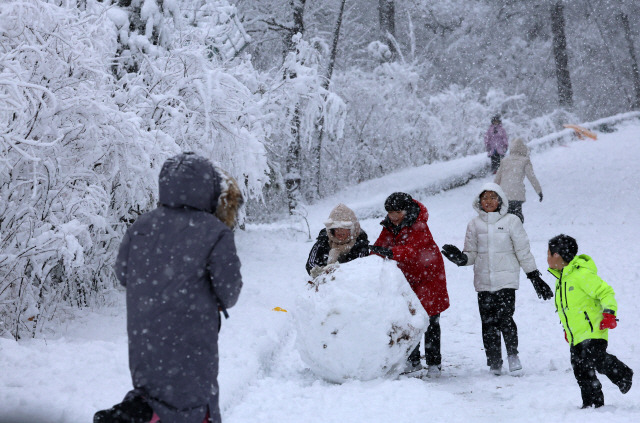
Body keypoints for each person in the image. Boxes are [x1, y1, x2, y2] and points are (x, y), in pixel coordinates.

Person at [94, 153, 244, 423]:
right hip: (192, 340)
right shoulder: (215, 231)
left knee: (153, 395)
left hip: (146, 338)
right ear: (208, 189)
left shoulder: (140, 227)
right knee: (192, 406)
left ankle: (144, 415)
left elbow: (124, 274)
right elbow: (229, 293)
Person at [441, 182, 552, 376]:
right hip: (483, 282)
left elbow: (522, 251)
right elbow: (471, 253)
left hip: (506, 280)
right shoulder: (474, 224)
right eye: (485, 198)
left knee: (505, 318)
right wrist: (461, 259)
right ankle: (494, 360)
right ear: (479, 201)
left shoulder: (512, 222)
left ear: (500, 200)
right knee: (488, 322)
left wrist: (534, 276)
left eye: (493, 197)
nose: (489, 201)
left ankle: (512, 355)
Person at [547, 234, 633, 408]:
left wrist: (609, 313)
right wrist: (567, 329)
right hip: (576, 335)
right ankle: (592, 402)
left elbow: (606, 292)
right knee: (581, 370)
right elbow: (567, 310)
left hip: (593, 329)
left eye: (548, 253)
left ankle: (623, 374)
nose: (547, 257)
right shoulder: (562, 280)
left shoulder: (581, 274)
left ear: (557, 255)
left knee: (594, 358)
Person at [370, 192, 449, 378]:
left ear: (406, 210)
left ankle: (434, 363)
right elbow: (380, 245)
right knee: (408, 321)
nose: (393, 216)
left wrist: (388, 252)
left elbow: (412, 251)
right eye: (390, 212)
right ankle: (412, 360)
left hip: (428, 278)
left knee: (431, 321)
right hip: (407, 280)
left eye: (397, 212)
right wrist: (373, 253)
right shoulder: (389, 226)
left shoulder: (419, 226)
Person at [306, 203, 370, 278]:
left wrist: (337, 271)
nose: (340, 232)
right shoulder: (323, 241)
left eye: (343, 228)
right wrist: (318, 271)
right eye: (336, 228)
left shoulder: (360, 243)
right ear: (331, 230)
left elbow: (360, 266)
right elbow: (311, 263)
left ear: (351, 229)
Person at [494, 137, 542, 223]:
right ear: (523, 148)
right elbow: (532, 177)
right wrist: (539, 191)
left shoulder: (505, 160)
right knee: (517, 216)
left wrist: (492, 192)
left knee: (506, 216)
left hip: (504, 194)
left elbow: (497, 178)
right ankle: (516, 232)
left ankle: (508, 233)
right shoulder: (525, 161)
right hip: (517, 194)